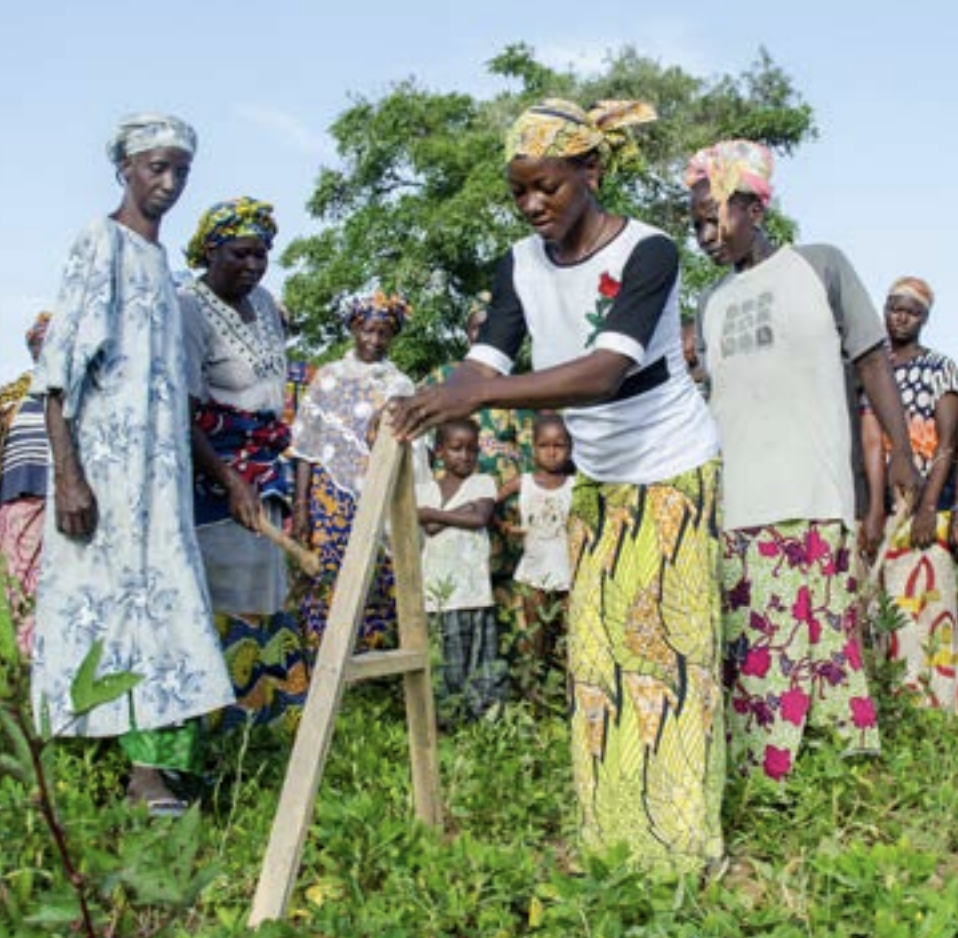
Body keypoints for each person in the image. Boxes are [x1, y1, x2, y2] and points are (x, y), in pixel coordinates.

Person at [391, 98, 725, 876]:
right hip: (600, 482)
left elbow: (606, 374)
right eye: (520, 192)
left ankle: (677, 848)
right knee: (600, 662)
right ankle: (613, 837)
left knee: (667, 656)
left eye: (549, 187)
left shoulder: (650, 252)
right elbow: (484, 364)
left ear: (591, 171)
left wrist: (473, 396)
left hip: (671, 467)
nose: (534, 204)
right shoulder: (518, 264)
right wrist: (427, 393)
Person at [686, 139, 920, 782]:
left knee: (824, 640)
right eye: (696, 224)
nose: (705, 234)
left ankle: (840, 770)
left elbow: (872, 361)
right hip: (739, 504)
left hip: (815, 493)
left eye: (715, 217)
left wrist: (902, 455)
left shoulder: (820, 268)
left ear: (753, 208)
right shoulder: (709, 304)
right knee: (757, 648)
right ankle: (770, 778)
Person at [29, 113, 234, 814]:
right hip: (106, 478)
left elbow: (172, 398)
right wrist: (69, 475)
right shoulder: (102, 243)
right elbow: (59, 375)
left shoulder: (166, 274)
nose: (169, 183)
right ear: (125, 168)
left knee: (167, 613)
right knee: (109, 616)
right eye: (156, 168)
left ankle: (159, 769)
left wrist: (224, 475)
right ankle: (131, 776)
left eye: (180, 170)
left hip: (162, 480)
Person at [180, 197, 308, 736]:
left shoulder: (268, 305)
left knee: (266, 591)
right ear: (212, 250)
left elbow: (276, 398)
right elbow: (182, 411)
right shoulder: (187, 306)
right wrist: (229, 480)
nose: (253, 265)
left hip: (265, 467)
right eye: (241, 253)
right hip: (211, 471)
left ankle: (266, 731)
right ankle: (221, 731)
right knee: (222, 591)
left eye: (263, 255)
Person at [290, 288, 418, 656]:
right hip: (328, 497)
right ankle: (322, 660)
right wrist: (300, 507)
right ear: (353, 329)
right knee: (327, 573)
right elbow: (305, 448)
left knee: (375, 574)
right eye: (368, 330)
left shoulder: (399, 385)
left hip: (379, 495)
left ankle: (366, 667)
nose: (374, 340)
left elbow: (409, 450)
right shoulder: (328, 379)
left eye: (383, 333)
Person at [865, 276, 958, 710]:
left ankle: (940, 711)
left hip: (928, 507)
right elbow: (868, 442)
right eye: (893, 307)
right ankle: (903, 707)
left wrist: (927, 510)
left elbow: (948, 443)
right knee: (893, 613)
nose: (900, 317)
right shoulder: (872, 370)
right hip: (887, 508)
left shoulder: (940, 367)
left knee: (932, 607)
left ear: (925, 318)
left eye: (911, 311)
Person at [417, 417, 506, 722]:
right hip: (438, 594)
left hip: (474, 592)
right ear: (440, 450)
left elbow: (479, 517)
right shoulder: (425, 488)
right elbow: (427, 528)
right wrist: (456, 512)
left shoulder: (483, 483)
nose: (465, 456)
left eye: (472, 450)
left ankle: (484, 723)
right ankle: (448, 722)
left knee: (480, 663)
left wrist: (434, 514)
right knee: (446, 664)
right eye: (456, 449)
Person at [497, 412, 574, 680]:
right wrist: (504, 526)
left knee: (569, 639)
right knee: (534, 639)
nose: (551, 452)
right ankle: (533, 697)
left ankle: (565, 694)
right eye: (544, 446)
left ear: (570, 448)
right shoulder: (524, 483)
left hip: (569, 575)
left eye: (559, 446)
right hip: (533, 573)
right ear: (534, 448)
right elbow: (491, 502)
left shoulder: (575, 485)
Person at [0, 311, 52, 658]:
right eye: (37, 340)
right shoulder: (12, 398)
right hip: (18, 503)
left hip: (66, 504)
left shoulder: (80, 392)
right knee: (17, 588)